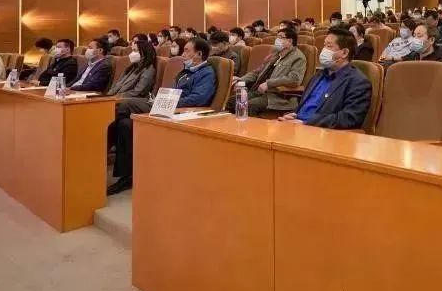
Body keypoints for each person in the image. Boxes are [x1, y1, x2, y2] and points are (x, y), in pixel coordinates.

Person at [107, 37, 216, 195]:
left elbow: (199, 99)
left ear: (199, 54)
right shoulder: (185, 71)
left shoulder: (206, 73)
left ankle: (98, 151)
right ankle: (127, 175)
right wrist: (163, 98)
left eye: (186, 50)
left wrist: (168, 101)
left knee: (123, 106)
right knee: (124, 124)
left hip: (179, 111)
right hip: (165, 105)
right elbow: (173, 91)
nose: (182, 54)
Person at [278, 28, 372, 129]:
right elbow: (304, 106)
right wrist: (291, 115)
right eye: (324, 45)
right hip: (296, 126)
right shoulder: (318, 75)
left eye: (329, 46)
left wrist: (307, 122)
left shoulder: (358, 82)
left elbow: (349, 118)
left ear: (344, 53)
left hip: (320, 132)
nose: (324, 50)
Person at [229, 27, 306, 116]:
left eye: (280, 37)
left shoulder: (298, 57)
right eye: (277, 37)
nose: (277, 40)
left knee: (248, 106)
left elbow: (294, 79)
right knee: (232, 101)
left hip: (278, 96)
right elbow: (257, 72)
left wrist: (268, 83)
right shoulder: (275, 54)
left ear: (290, 41)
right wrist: (241, 80)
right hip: (259, 91)